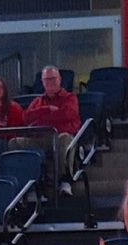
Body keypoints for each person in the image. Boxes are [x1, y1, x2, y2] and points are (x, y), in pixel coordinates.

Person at [16, 65, 81, 197]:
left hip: (58, 136)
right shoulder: (38, 101)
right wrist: (46, 110)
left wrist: (40, 119)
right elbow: (25, 117)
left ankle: (64, 180)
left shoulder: (70, 98)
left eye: (53, 78)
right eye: (46, 79)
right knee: (15, 142)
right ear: (42, 82)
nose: (50, 82)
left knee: (65, 138)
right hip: (39, 138)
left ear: (60, 79)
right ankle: (29, 184)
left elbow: (68, 114)